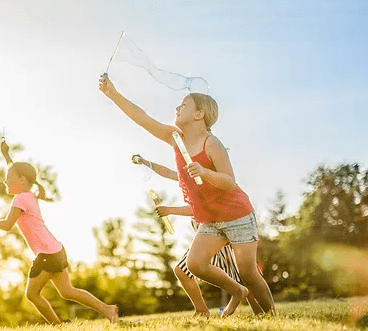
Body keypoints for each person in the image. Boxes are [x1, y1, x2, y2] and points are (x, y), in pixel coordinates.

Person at [100, 74, 275, 317]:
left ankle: (269, 315)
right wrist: (113, 94)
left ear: (199, 114)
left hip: (237, 215)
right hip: (210, 220)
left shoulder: (212, 143)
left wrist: (205, 171)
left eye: (183, 105)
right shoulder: (175, 138)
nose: (176, 108)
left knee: (248, 271)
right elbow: (142, 118)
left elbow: (229, 181)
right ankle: (238, 291)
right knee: (194, 264)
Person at [0, 141, 119, 324]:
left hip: (47, 253)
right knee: (67, 291)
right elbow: (17, 171)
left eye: (8, 178)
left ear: (22, 180)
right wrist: (6, 157)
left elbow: (8, 225)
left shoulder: (20, 199)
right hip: (56, 249)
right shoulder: (29, 194)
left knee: (32, 294)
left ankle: (57, 325)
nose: (5, 180)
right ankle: (108, 310)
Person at [133, 154, 263, 317]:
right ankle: (202, 310)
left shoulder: (209, 181)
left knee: (243, 276)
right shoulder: (189, 178)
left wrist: (169, 210)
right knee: (182, 270)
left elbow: (198, 209)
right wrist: (147, 163)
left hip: (222, 234)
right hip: (205, 235)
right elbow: (168, 172)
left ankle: (260, 311)